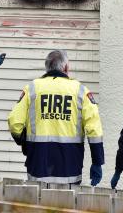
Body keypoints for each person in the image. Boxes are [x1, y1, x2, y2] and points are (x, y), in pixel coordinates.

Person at [7, 50, 104, 185]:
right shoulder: (80, 91)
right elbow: (94, 129)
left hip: (38, 163)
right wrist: (97, 161)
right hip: (69, 165)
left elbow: (14, 123)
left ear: (47, 67)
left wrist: (24, 143)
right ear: (66, 68)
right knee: (67, 203)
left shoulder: (32, 88)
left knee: (39, 202)